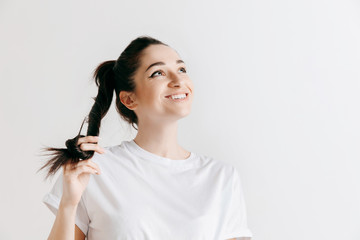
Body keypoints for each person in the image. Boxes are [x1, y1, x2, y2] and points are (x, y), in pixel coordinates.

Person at [39, 36, 253, 240]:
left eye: (182, 69)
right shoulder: (94, 169)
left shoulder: (221, 177)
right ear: (129, 99)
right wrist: (69, 203)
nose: (178, 80)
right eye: (158, 73)